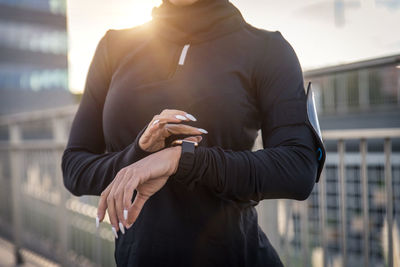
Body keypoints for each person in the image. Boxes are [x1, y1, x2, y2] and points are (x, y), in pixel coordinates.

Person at [61, 0, 326, 266]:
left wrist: (183, 159)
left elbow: (299, 168)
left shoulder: (268, 49)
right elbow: (74, 167)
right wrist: (137, 155)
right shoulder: (114, 47)